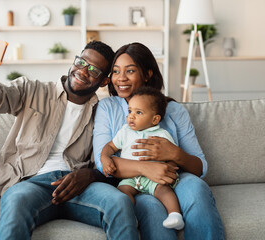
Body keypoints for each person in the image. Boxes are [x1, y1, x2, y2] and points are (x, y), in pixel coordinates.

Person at [0, 33, 139, 240]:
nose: (82, 71)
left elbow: (107, 161)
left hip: (79, 187)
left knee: (120, 203)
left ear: (103, 81)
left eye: (93, 70)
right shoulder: (32, 90)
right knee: (17, 200)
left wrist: (89, 176)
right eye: (81, 62)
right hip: (30, 184)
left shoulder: (102, 111)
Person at [93, 42, 225, 239]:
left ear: (147, 74)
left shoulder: (173, 110)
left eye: (130, 71)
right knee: (151, 206)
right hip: (133, 182)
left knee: (197, 188)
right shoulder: (107, 108)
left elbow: (199, 167)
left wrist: (174, 154)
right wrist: (147, 168)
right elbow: (103, 163)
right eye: (116, 71)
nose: (121, 78)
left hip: (172, 178)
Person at [101, 86, 184, 230]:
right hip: (131, 177)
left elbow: (172, 155)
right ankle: (130, 217)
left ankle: (175, 215)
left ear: (155, 119)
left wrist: (170, 166)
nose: (131, 116)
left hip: (154, 178)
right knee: (122, 193)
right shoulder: (125, 131)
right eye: (130, 111)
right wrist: (105, 157)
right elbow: (110, 146)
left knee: (165, 191)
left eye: (138, 112)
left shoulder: (162, 134)